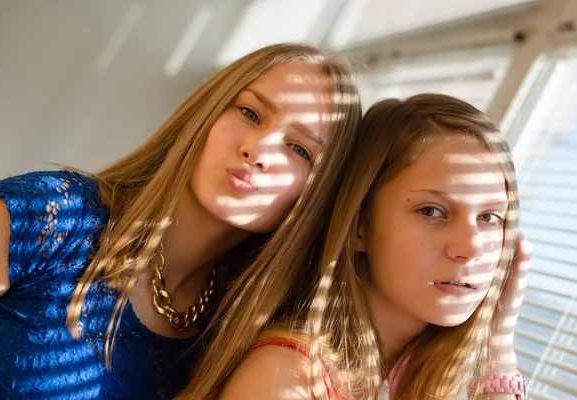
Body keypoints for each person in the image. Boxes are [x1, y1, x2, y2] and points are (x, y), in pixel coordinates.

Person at [0, 43, 362, 399]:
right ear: (207, 112)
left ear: (315, 198)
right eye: (250, 113)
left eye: (299, 149)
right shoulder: (52, 215)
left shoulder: (234, 344)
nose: (259, 150)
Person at [217, 94, 530, 400]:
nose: (472, 248)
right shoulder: (285, 380)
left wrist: (498, 343)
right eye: (431, 211)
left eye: (489, 217)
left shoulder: (410, 377)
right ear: (359, 226)